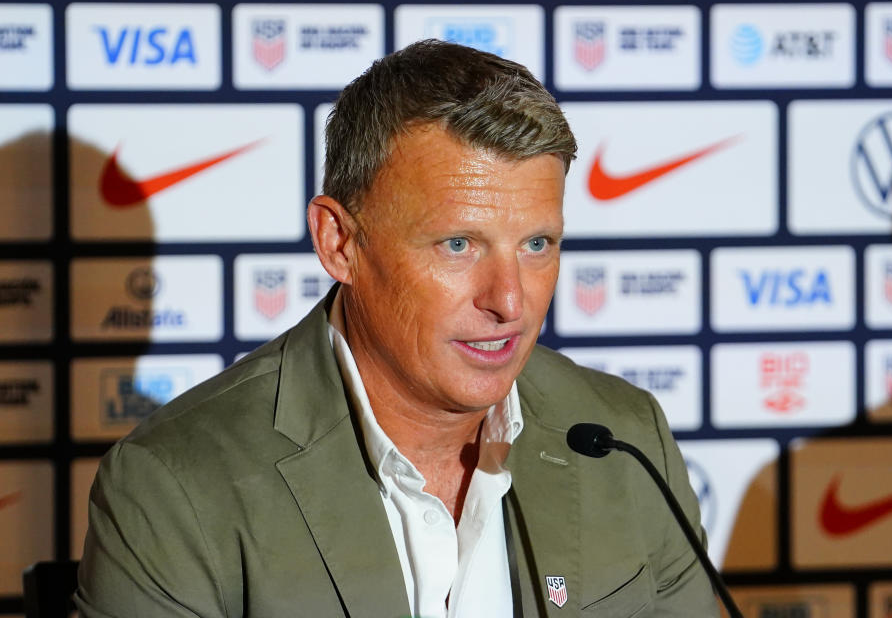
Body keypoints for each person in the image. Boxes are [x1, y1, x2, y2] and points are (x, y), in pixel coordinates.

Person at [76, 40, 718, 617]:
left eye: (537, 243)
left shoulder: (626, 439)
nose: (509, 301)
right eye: (459, 244)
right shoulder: (176, 487)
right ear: (339, 243)